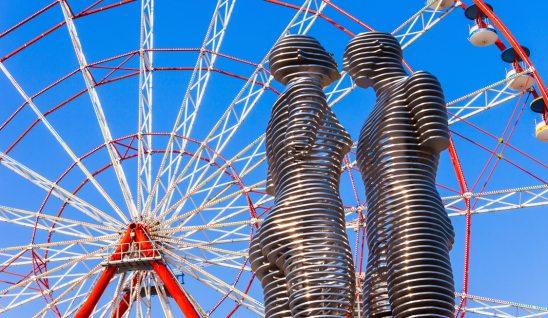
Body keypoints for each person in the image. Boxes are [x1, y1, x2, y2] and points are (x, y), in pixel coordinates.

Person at [343, 32, 455, 318]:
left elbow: (436, 140)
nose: (346, 64)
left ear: (379, 49)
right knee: (373, 310)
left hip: (414, 212)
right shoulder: (369, 118)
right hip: (379, 228)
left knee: (421, 307)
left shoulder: (417, 83)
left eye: (353, 54)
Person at [249, 34, 355, 317]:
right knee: (335, 306)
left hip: (272, 229)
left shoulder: (276, 110)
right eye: (323, 50)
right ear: (299, 55)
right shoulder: (308, 89)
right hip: (310, 220)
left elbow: (273, 181)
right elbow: (300, 139)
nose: (332, 57)